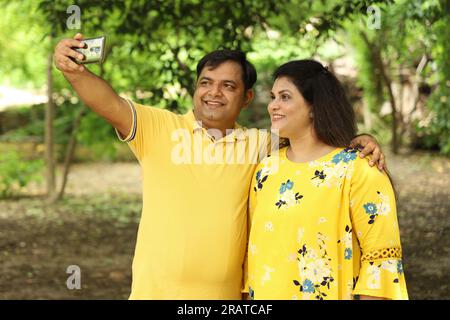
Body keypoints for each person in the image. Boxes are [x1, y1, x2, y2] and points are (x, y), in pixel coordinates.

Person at [54, 33, 386, 299]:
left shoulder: (262, 145)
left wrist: (360, 140)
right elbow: (108, 103)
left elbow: (313, 142)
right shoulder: (159, 128)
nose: (214, 92)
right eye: (206, 82)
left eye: (228, 86)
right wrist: (73, 70)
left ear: (246, 97)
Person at [244, 60, 408, 300]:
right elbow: (255, 256)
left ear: (313, 107)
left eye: (285, 97)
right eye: (273, 97)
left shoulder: (360, 169)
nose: (273, 106)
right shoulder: (267, 169)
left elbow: (381, 262)